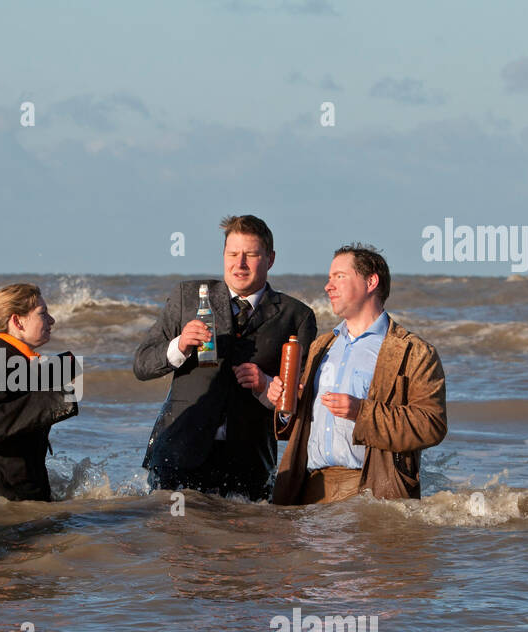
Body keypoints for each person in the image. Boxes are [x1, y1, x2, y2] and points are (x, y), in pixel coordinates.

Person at [134, 214, 317, 499]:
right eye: (232, 254)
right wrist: (180, 345)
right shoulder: (187, 297)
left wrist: (267, 386)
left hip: (249, 466)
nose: (239, 264)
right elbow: (142, 365)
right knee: (176, 541)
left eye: (251, 255)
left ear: (270, 259)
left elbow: (301, 403)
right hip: (178, 454)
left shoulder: (297, 316)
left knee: (240, 544)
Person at [270, 243, 447, 505]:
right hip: (309, 490)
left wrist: (361, 413)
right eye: (329, 278)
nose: (328, 286)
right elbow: (299, 426)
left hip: (371, 491)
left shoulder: (413, 351)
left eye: (339, 277)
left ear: (371, 282)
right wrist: (286, 406)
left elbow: (432, 425)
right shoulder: (322, 345)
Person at [0, 284, 79, 502]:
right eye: (42, 313)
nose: (51, 320)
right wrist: (51, 401)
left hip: (14, 500)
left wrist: (58, 377)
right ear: (17, 321)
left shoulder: (15, 359)